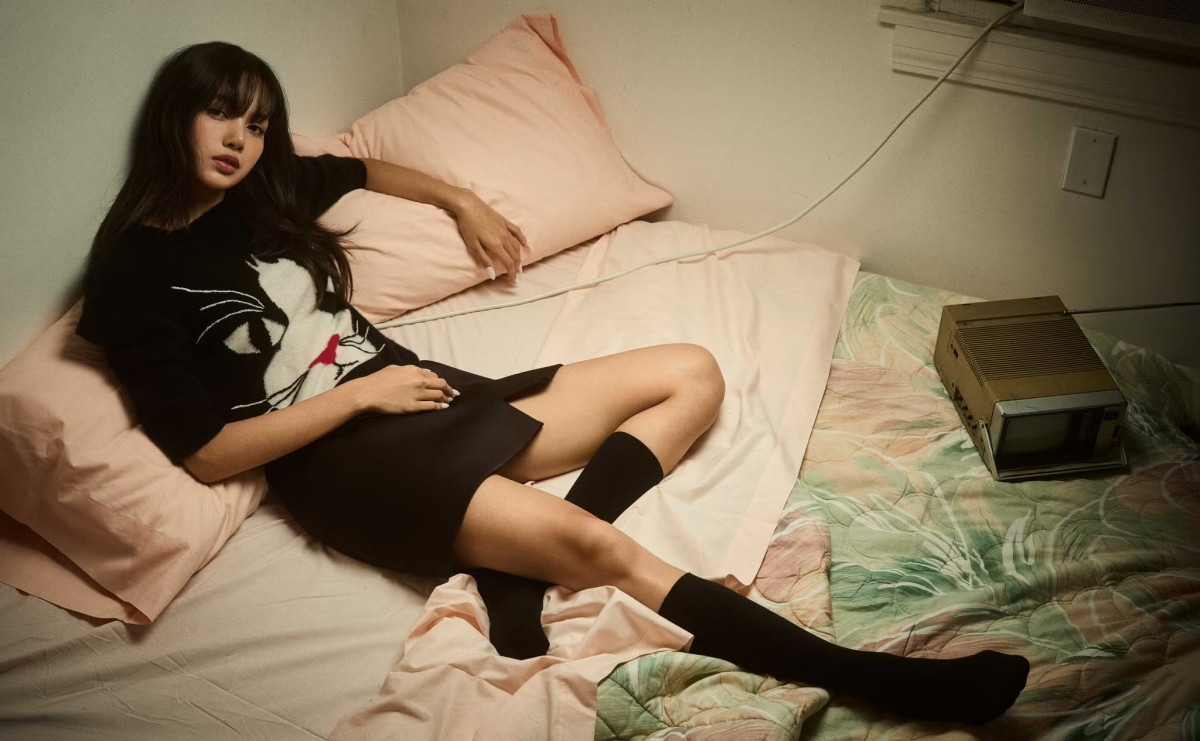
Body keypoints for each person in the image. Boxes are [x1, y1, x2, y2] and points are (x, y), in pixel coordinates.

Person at [77, 41, 1029, 726]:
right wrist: (357, 396)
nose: (242, 138)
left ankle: (512, 568)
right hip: (345, 460)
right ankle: (878, 680)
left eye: (258, 121)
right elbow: (207, 455)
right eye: (222, 113)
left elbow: (363, 166)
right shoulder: (132, 271)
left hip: (423, 392)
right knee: (594, 546)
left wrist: (461, 200)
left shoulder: (264, 191)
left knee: (690, 373)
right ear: (175, 114)